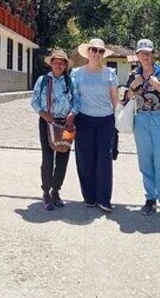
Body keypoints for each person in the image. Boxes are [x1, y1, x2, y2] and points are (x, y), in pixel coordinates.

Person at [123, 39, 160, 219]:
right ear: (137, 55)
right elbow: (126, 98)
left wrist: (157, 84)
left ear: (153, 53)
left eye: (148, 52)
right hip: (141, 119)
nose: (145, 56)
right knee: (145, 162)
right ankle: (150, 198)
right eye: (142, 53)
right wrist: (134, 85)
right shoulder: (134, 75)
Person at [69, 38, 119, 213]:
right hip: (84, 119)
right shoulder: (76, 73)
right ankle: (89, 197)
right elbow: (73, 98)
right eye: (94, 50)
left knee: (104, 159)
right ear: (87, 52)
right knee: (85, 158)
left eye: (100, 51)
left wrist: (118, 120)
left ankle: (104, 199)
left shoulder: (110, 73)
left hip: (106, 120)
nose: (97, 53)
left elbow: (115, 99)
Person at [30, 49, 75, 211]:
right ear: (51, 64)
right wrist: (44, 115)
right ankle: (46, 192)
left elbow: (77, 101)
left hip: (65, 123)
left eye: (62, 63)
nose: (58, 65)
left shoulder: (70, 82)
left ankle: (56, 190)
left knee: (63, 156)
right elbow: (34, 102)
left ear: (65, 66)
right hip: (47, 123)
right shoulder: (43, 81)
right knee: (48, 158)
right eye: (55, 62)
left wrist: (72, 114)